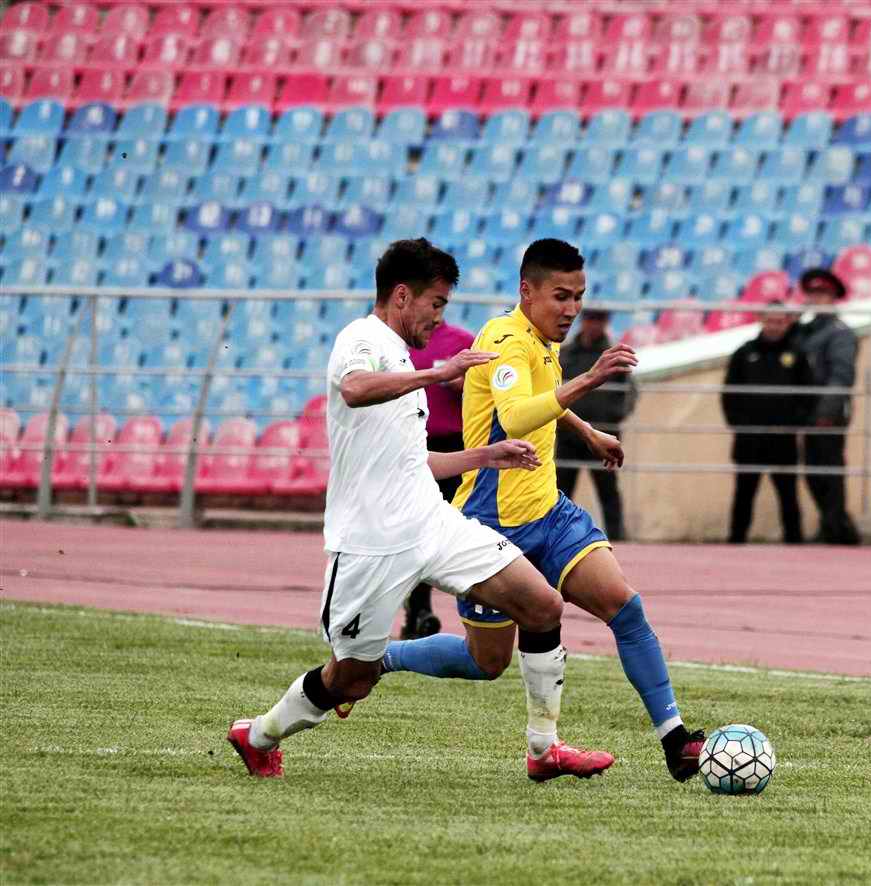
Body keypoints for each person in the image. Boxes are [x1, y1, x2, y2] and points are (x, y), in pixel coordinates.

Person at [227, 239, 614, 783]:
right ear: (402, 296)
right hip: (370, 543)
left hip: (432, 523)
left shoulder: (404, 356)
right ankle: (258, 735)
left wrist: (486, 455)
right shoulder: (361, 339)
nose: (440, 317)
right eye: (436, 304)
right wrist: (438, 373)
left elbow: (413, 462)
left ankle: (543, 749)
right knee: (351, 679)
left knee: (542, 605)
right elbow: (355, 389)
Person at [382, 238, 708, 782]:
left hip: (549, 515)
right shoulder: (505, 342)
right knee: (485, 662)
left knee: (624, 608)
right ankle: (383, 657)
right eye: (561, 296)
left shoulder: (541, 338)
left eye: (579, 296)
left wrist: (588, 431)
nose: (572, 309)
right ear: (526, 291)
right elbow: (514, 416)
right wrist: (591, 379)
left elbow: (545, 394)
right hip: (490, 527)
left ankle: (676, 740)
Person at [401, 317, 476, 640]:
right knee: (415, 529)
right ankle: (419, 611)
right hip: (410, 445)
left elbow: (488, 391)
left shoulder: (462, 341)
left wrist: (465, 385)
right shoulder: (398, 344)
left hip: (453, 447)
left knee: (450, 529)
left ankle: (474, 613)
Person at [722, 300, 816, 544]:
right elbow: (729, 394)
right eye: (770, 321)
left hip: (783, 439)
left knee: (789, 495)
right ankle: (735, 542)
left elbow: (808, 396)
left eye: (780, 321)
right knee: (744, 494)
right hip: (749, 439)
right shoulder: (744, 353)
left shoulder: (798, 354)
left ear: (787, 323)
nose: (775, 326)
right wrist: (740, 424)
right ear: (761, 320)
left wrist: (794, 424)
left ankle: (795, 543)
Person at [555, 308, 637, 541]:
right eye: (591, 319)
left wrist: (613, 417)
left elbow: (630, 392)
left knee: (608, 491)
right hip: (569, 435)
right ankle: (556, 538)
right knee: (561, 492)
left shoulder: (613, 356)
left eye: (600, 319)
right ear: (583, 321)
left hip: (603, 435)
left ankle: (618, 537)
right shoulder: (566, 353)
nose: (594, 324)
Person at [796, 268, 862, 545]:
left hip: (828, 412)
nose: (816, 298)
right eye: (812, 293)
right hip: (808, 411)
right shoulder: (806, 331)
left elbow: (841, 376)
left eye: (822, 293)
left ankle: (836, 527)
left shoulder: (839, 333)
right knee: (813, 471)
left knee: (829, 470)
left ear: (833, 297)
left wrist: (826, 412)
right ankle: (836, 525)